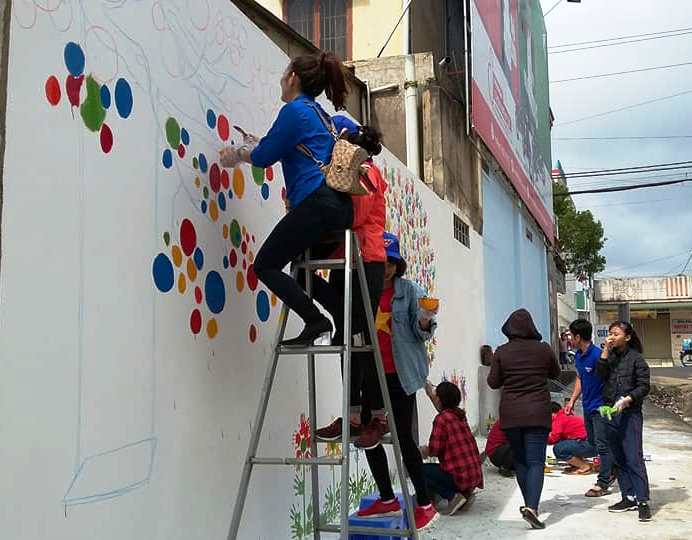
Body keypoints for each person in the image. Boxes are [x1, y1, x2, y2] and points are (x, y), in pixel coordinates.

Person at [219, 52, 353, 346]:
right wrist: (255, 145)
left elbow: (265, 157)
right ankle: (341, 312)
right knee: (298, 265)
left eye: (284, 74)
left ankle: (315, 320)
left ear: (293, 77)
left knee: (265, 265)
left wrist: (237, 155)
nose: (281, 80)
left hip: (317, 203)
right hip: (338, 207)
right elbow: (278, 147)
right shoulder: (320, 114)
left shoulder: (295, 112)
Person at [307, 120, 389, 442]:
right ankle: (354, 415)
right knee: (348, 333)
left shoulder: (366, 171)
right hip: (347, 259)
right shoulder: (358, 169)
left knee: (359, 337)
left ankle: (376, 416)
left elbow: (352, 216)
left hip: (365, 260)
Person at [355, 232, 439, 531]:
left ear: (398, 262)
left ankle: (426, 503)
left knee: (404, 439)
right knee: (366, 435)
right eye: (382, 260)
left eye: (391, 261)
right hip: (369, 374)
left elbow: (422, 334)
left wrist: (426, 321)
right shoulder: (364, 289)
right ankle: (388, 497)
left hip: (399, 375)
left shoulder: (411, 291)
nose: (387, 266)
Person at [487, 309, 561, 530]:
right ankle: (532, 507)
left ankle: (530, 504)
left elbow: (493, 382)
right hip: (538, 413)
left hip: (511, 415)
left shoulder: (502, 352)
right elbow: (556, 374)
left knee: (520, 461)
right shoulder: (543, 349)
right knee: (536, 461)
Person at [597, 321, 652, 522]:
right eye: (610, 333)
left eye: (616, 334)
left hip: (630, 414)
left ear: (627, 337)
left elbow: (644, 386)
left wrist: (628, 399)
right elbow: (600, 376)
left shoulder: (637, 359)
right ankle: (627, 497)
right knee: (618, 458)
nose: (611, 337)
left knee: (633, 458)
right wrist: (604, 350)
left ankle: (643, 501)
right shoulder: (610, 357)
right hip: (611, 413)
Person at [565, 318, 615, 497]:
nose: (569, 338)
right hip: (587, 406)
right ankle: (613, 467)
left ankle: (603, 482)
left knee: (602, 445)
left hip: (600, 408)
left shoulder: (597, 355)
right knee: (594, 443)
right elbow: (580, 377)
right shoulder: (578, 355)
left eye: (571, 335)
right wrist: (572, 401)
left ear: (578, 337)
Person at [420, 381, 483, 515]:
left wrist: (420, 451)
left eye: (436, 396)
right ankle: (465, 494)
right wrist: (430, 394)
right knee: (441, 469)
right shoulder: (460, 415)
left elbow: (434, 450)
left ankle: (453, 496)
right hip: (473, 476)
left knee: (418, 469)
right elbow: (443, 411)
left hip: (459, 477)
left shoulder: (441, 419)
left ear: (440, 400)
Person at [549, 402, 596, 474]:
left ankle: (584, 466)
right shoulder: (565, 416)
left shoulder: (559, 419)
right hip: (591, 444)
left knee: (559, 449)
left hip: (589, 445)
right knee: (563, 443)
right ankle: (577, 464)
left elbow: (553, 438)